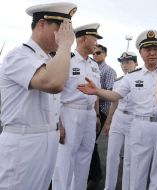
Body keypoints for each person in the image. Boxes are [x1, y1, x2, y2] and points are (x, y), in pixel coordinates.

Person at [77, 29, 157, 190]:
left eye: (155, 49)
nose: (152, 53)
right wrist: (97, 91)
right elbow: (115, 95)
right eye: (147, 49)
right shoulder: (132, 77)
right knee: (138, 170)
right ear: (141, 53)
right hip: (140, 124)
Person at [0, 2, 76, 189]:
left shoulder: (49, 59)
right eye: (61, 28)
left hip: (48, 139)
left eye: (68, 29)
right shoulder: (18, 56)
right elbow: (54, 83)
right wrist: (65, 44)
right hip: (24, 143)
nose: (66, 34)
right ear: (41, 24)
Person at [52, 23, 102, 190]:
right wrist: (58, 123)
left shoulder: (94, 65)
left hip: (88, 115)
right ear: (84, 38)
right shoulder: (67, 60)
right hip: (69, 113)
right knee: (65, 160)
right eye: (94, 38)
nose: (96, 42)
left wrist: (96, 115)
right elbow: (55, 94)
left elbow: (95, 93)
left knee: (85, 158)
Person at [104, 52, 138, 190]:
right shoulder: (118, 81)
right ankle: (108, 187)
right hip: (118, 118)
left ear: (136, 63)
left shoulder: (140, 79)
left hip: (133, 119)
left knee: (129, 160)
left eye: (128, 62)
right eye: (122, 63)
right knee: (112, 156)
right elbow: (114, 102)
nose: (125, 66)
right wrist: (108, 122)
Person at [87, 44, 117, 189]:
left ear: (105, 54)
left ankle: (96, 173)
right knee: (86, 141)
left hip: (102, 111)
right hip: (90, 109)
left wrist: (94, 95)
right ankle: (90, 172)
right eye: (93, 53)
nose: (95, 55)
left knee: (90, 141)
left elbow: (111, 92)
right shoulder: (91, 67)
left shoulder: (109, 71)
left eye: (98, 53)